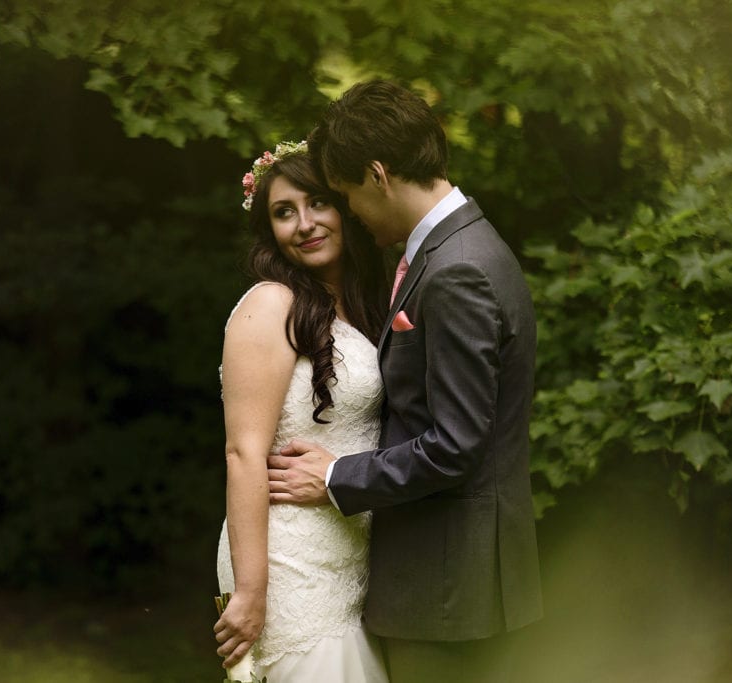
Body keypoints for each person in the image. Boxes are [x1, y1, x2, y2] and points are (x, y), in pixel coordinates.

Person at [267, 80, 543, 683]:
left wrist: (336, 475)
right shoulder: (458, 247)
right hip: (453, 584)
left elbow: (455, 446)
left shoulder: (456, 270)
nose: (353, 215)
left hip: (447, 591)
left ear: (377, 174)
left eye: (345, 195)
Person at [214, 141, 390, 682]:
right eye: (283, 213)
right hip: (289, 562)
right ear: (270, 231)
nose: (304, 224)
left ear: (344, 206)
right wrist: (250, 591)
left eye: (317, 203)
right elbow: (244, 451)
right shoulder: (272, 303)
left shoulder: (361, 305)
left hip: (345, 556)